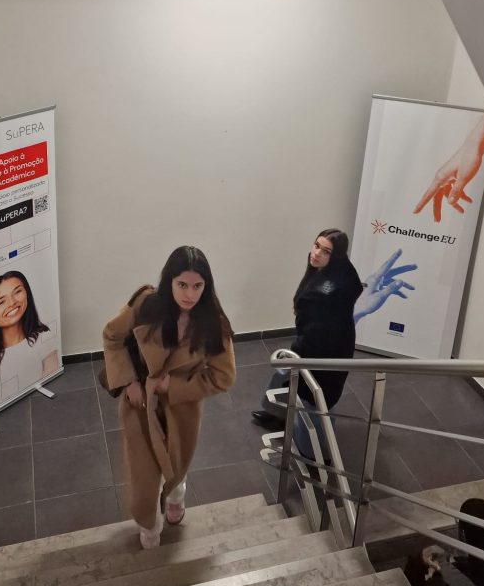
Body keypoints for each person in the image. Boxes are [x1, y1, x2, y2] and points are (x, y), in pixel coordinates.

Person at [101, 246, 235, 549]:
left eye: (197, 286)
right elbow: (112, 336)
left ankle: (176, 492)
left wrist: (171, 388)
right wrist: (128, 382)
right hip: (140, 407)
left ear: (207, 285)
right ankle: (150, 528)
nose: (189, 294)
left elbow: (223, 376)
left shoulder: (214, 324)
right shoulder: (146, 305)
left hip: (182, 410)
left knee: (176, 466)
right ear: (169, 281)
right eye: (182, 285)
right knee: (144, 484)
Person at [251, 229, 363, 461]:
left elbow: (319, 334)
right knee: (283, 372)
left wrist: (300, 355)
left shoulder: (326, 293)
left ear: (336, 256)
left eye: (325, 251)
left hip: (322, 352)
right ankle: (278, 413)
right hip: (317, 344)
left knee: (314, 399)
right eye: (316, 246)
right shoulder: (340, 272)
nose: (316, 253)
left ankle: (316, 454)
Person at [0, 270, 50, 382]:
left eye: (17, 292)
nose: (12, 303)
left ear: (27, 293)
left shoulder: (44, 339)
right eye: (1, 302)